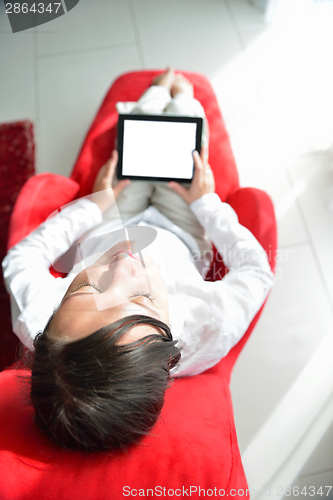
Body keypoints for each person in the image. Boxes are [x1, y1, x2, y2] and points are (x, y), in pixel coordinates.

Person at [2, 68, 274, 452]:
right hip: (182, 231)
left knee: (133, 146)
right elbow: (257, 271)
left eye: (89, 287)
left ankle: (155, 93)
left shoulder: (40, 322)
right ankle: (181, 97)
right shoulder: (208, 329)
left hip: (110, 222)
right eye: (144, 299)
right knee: (186, 145)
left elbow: (21, 258)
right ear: (171, 353)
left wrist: (94, 205)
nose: (127, 264)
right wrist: (207, 204)